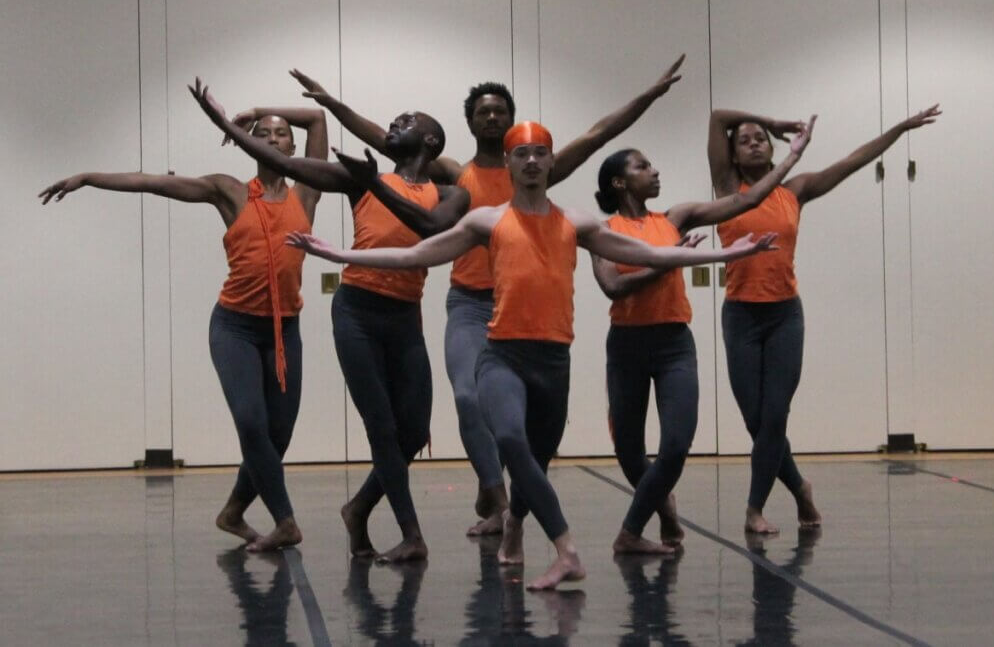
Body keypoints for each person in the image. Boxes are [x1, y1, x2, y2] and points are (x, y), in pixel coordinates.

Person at [283, 121, 780, 589]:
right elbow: (416, 254)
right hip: (502, 356)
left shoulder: (575, 222)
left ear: (550, 162)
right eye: (522, 154)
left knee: (535, 461)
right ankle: (566, 549)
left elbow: (655, 254)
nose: (533, 161)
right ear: (510, 163)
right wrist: (341, 255)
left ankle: (516, 522)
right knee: (513, 443)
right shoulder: (487, 220)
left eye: (541, 153)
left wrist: (727, 254)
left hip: (553, 362)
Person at [289, 55, 686, 535]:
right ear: (470, 123)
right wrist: (335, 105)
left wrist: (649, 96)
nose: (492, 117)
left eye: (501, 110)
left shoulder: (535, 167)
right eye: (483, 112)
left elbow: (598, 134)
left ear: (513, 122)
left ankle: (509, 501)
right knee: (467, 394)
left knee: (529, 423)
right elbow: (384, 140)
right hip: (470, 303)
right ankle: (494, 492)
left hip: (524, 310)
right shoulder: (457, 173)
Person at [189, 79, 469, 563]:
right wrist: (222, 121)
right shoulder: (358, 179)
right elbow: (286, 163)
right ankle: (411, 534)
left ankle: (359, 507)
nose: (395, 123)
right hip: (357, 311)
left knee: (412, 431)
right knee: (381, 428)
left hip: (405, 317)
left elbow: (431, 230)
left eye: (407, 120)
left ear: (430, 141)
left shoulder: (450, 194)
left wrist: (375, 181)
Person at [40, 101, 329, 551]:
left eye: (281, 134)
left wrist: (258, 108)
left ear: (293, 144)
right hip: (234, 328)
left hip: (284, 330)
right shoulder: (230, 191)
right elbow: (153, 184)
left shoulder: (307, 192)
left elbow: (317, 119)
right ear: (249, 144)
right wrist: (88, 177)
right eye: (264, 133)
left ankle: (233, 512)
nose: (274, 139)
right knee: (253, 425)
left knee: (279, 435)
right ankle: (285, 521)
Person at [708, 104, 941, 534]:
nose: (755, 142)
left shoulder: (794, 190)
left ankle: (754, 509)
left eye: (761, 137)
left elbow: (852, 161)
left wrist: (899, 129)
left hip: (783, 316)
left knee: (775, 416)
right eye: (745, 139)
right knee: (756, 422)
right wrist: (774, 120)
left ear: (773, 150)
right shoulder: (727, 189)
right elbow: (719, 115)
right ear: (734, 156)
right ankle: (799, 488)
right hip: (740, 316)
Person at [591, 117, 814, 554]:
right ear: (620, 182)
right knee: (630, 453)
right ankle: (665, 511)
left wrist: (792, 156)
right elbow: (612, 287)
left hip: (675, 344)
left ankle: (630, 532)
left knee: (675, 445)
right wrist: (667, 262)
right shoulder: (602, 232)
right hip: (628, 346)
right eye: (643, 166)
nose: (655, 171)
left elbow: (749, 199)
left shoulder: (677, 217)